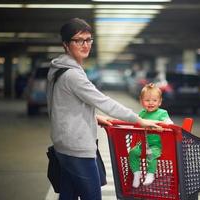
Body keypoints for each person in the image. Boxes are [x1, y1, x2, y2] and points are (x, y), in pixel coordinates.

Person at [46, 18, 160, 200]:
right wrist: (139, 120)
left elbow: (62, 105)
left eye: (88, 39)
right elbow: (104, 101)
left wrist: (95, 117)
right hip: (77, 149)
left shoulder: (59, 69)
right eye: (78, 40)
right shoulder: (73, 74)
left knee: (68, 195)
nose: (85, 45)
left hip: (63, 146)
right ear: (66, 45)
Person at [129, 83, 173, 188]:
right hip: (143, 143)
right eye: (147, 100)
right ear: (141, 101)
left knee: (152, 154)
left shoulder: (162, 113)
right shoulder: (142, 114)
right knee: (133, 152)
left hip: (156, 144)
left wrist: (166, 125)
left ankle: (150, 174)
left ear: (160, 102)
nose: (151, 103)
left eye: (154, 100)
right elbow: (135, 123)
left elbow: (169, 123)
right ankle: (136, 174)